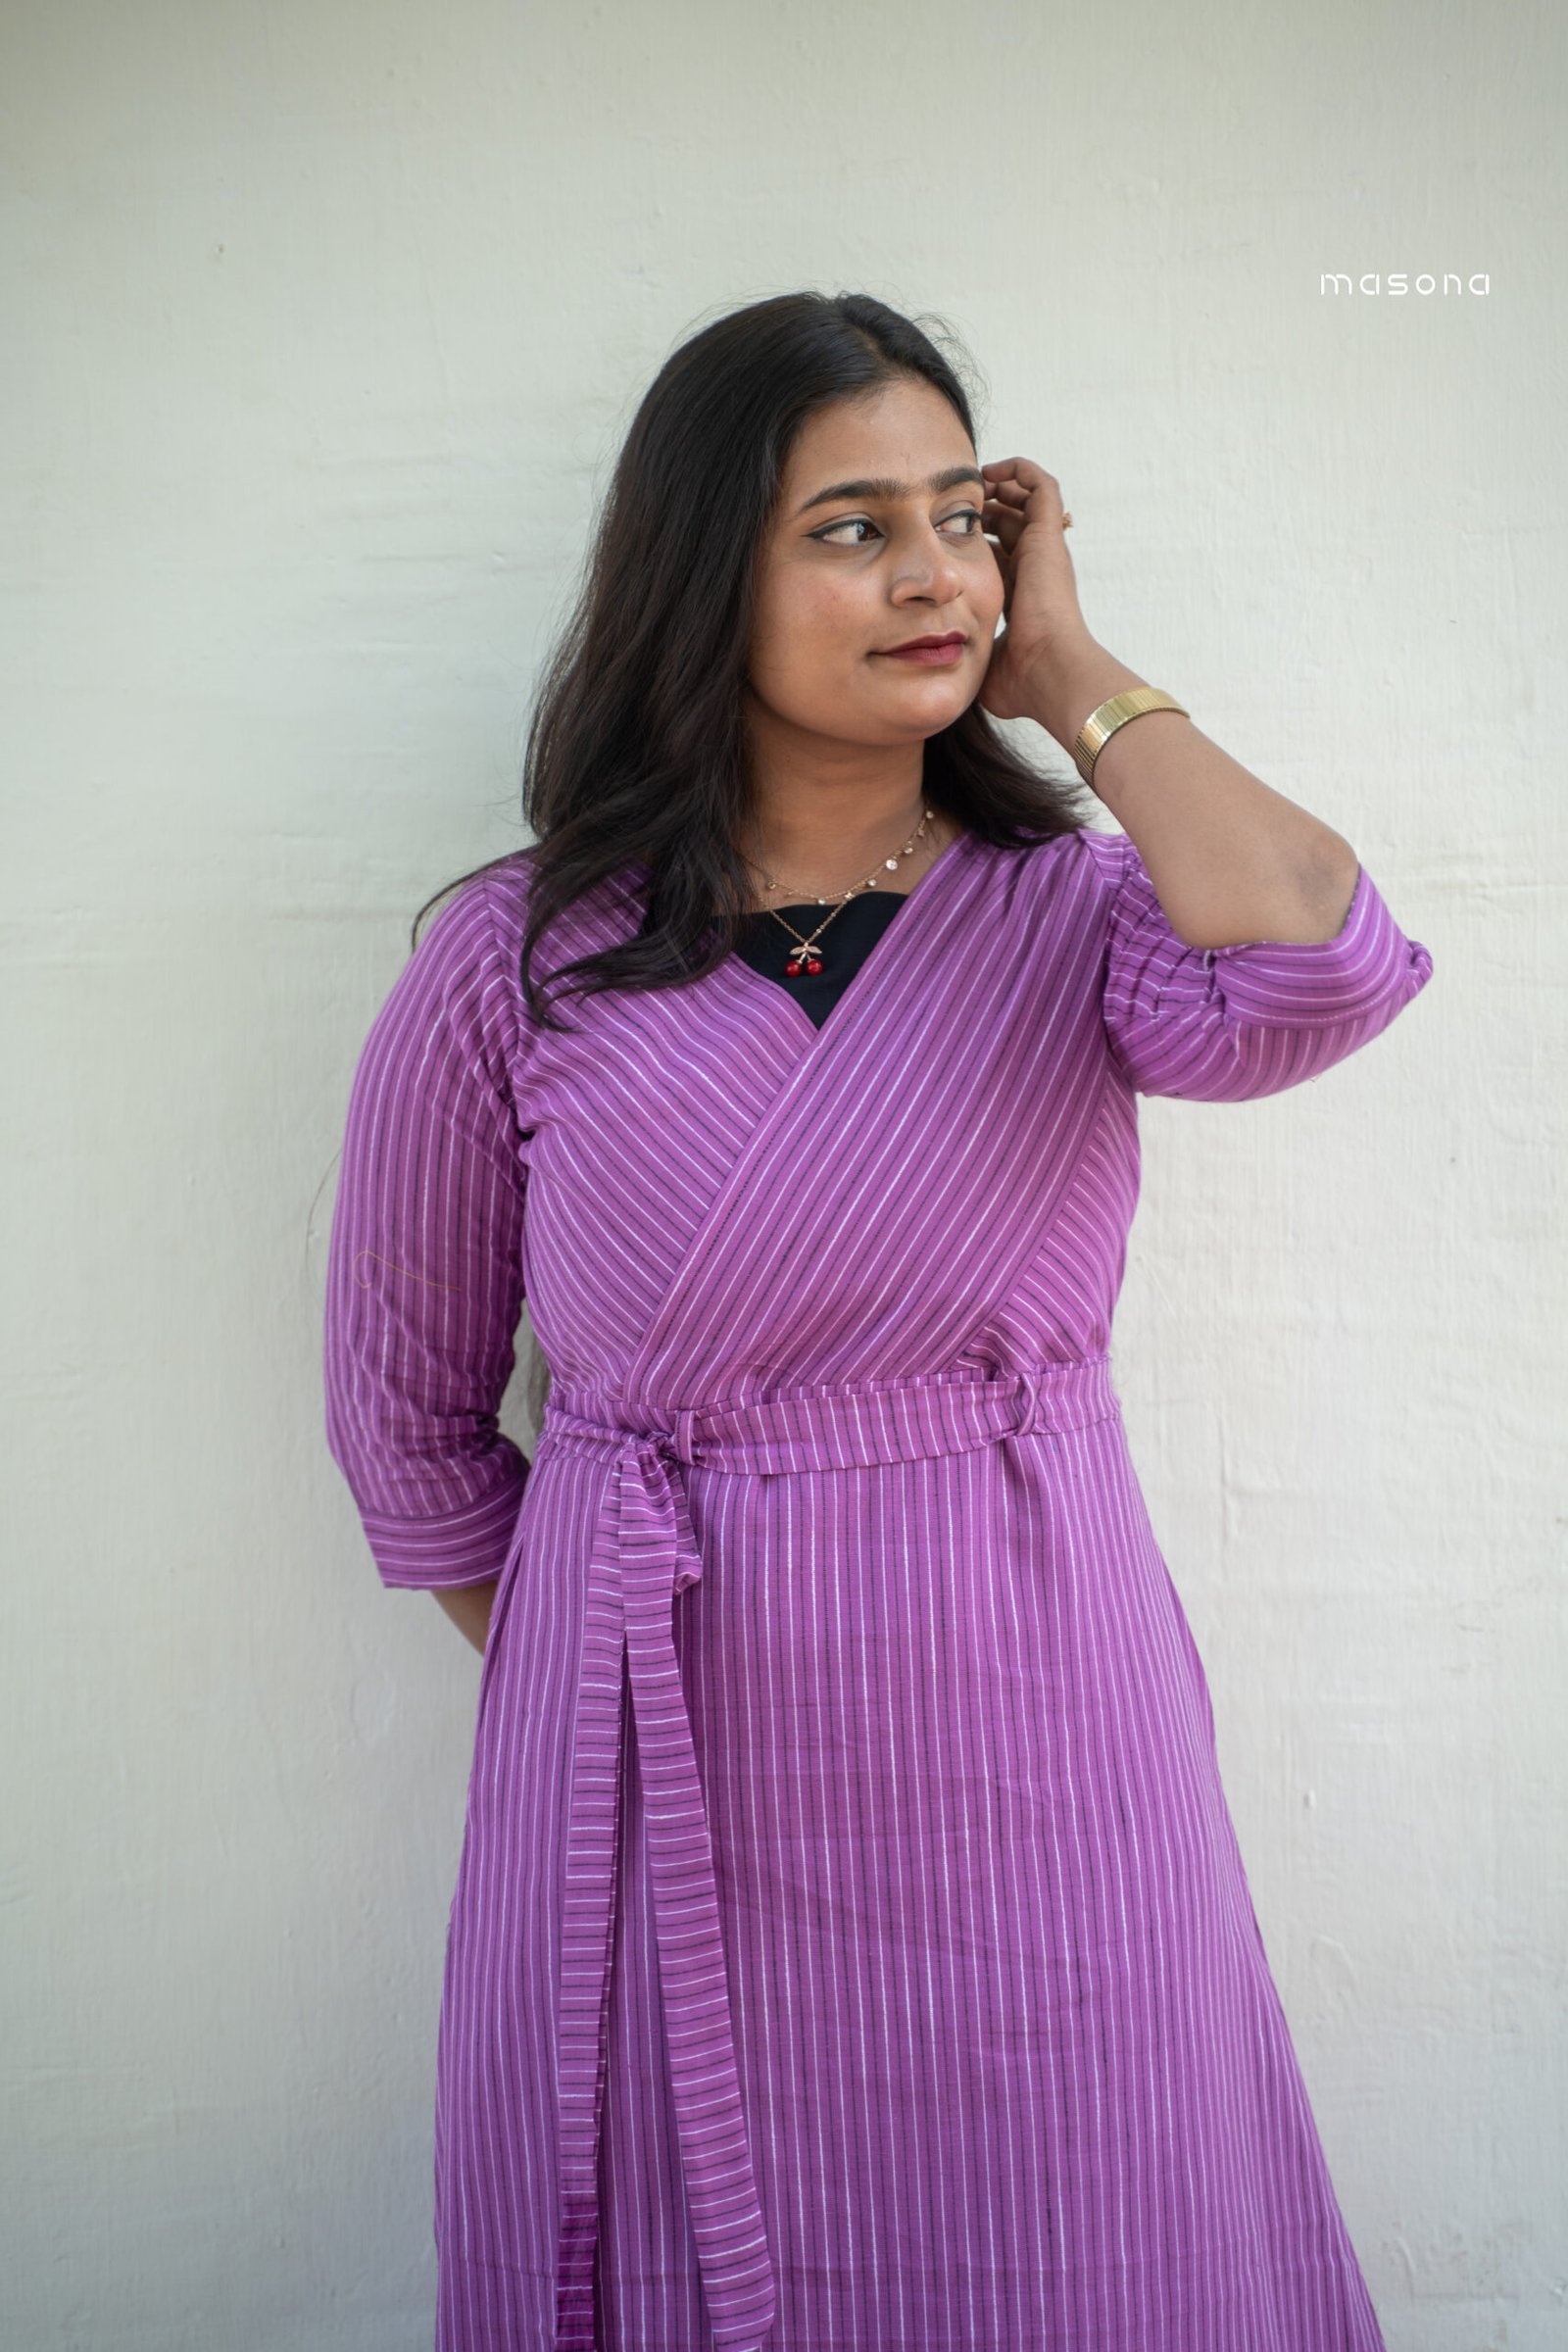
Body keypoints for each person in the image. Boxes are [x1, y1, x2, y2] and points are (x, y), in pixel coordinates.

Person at [321, 291, 1433, 2352]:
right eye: (851, 529)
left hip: (1042, 1739)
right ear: (700, 575)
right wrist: (619, 1660)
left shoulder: (1082, 916)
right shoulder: (514, 964)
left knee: (1082, 2230)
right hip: (666, 1761)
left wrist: (1072, 672)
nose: (933, 575)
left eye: (961, 521)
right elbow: (408, 1427)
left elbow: (1318, 961)